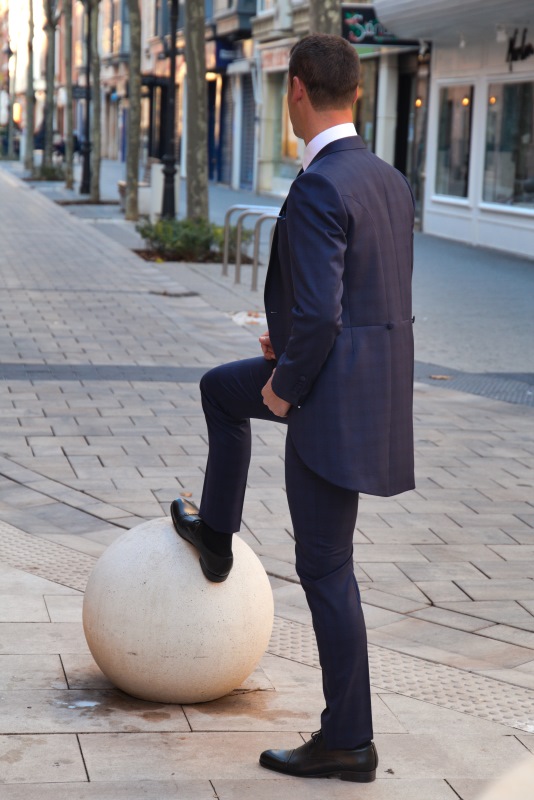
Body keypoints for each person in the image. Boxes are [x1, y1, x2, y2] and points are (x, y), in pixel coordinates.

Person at [171, 33, 415, 783]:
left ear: (298, 90)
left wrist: (283, 385)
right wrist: (288, 343)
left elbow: (319, 316)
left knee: (326, 569)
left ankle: (349, 739)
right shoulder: (387, 179)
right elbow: (366, 296)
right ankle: (217, 532)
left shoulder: (318, 185)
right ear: (357, 93)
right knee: (220, 389)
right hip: (369, 391)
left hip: (324, 396)